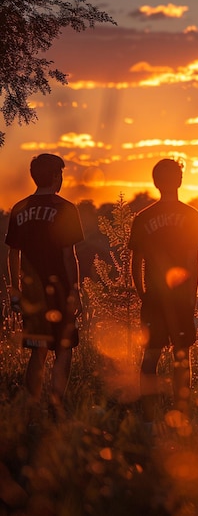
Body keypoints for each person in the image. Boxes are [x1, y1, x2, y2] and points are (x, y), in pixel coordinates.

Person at [128, 158, 198, 418]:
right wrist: (192, 296)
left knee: (151, 355)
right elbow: (192, 262)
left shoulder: (143, 217)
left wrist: (143, 293)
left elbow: (136, 262)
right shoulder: (191, 215)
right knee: (182, 355)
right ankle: (181, 411)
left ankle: (148, 414)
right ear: (180, 180)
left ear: (155, 182)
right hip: (180, 299)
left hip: (153, 297)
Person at [5, 154, 83, 420]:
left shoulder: (19, 208)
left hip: (31, 292)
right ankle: (55, 407)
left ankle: (31, 410)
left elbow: (12, 253)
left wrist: (14, 290)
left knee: (38, 350)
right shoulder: (65, 209)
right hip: (59, 291)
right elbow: (68, 255)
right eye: (60, 174)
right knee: (63, 349)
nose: (62, 178)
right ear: (54, 177)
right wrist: (74, 291)